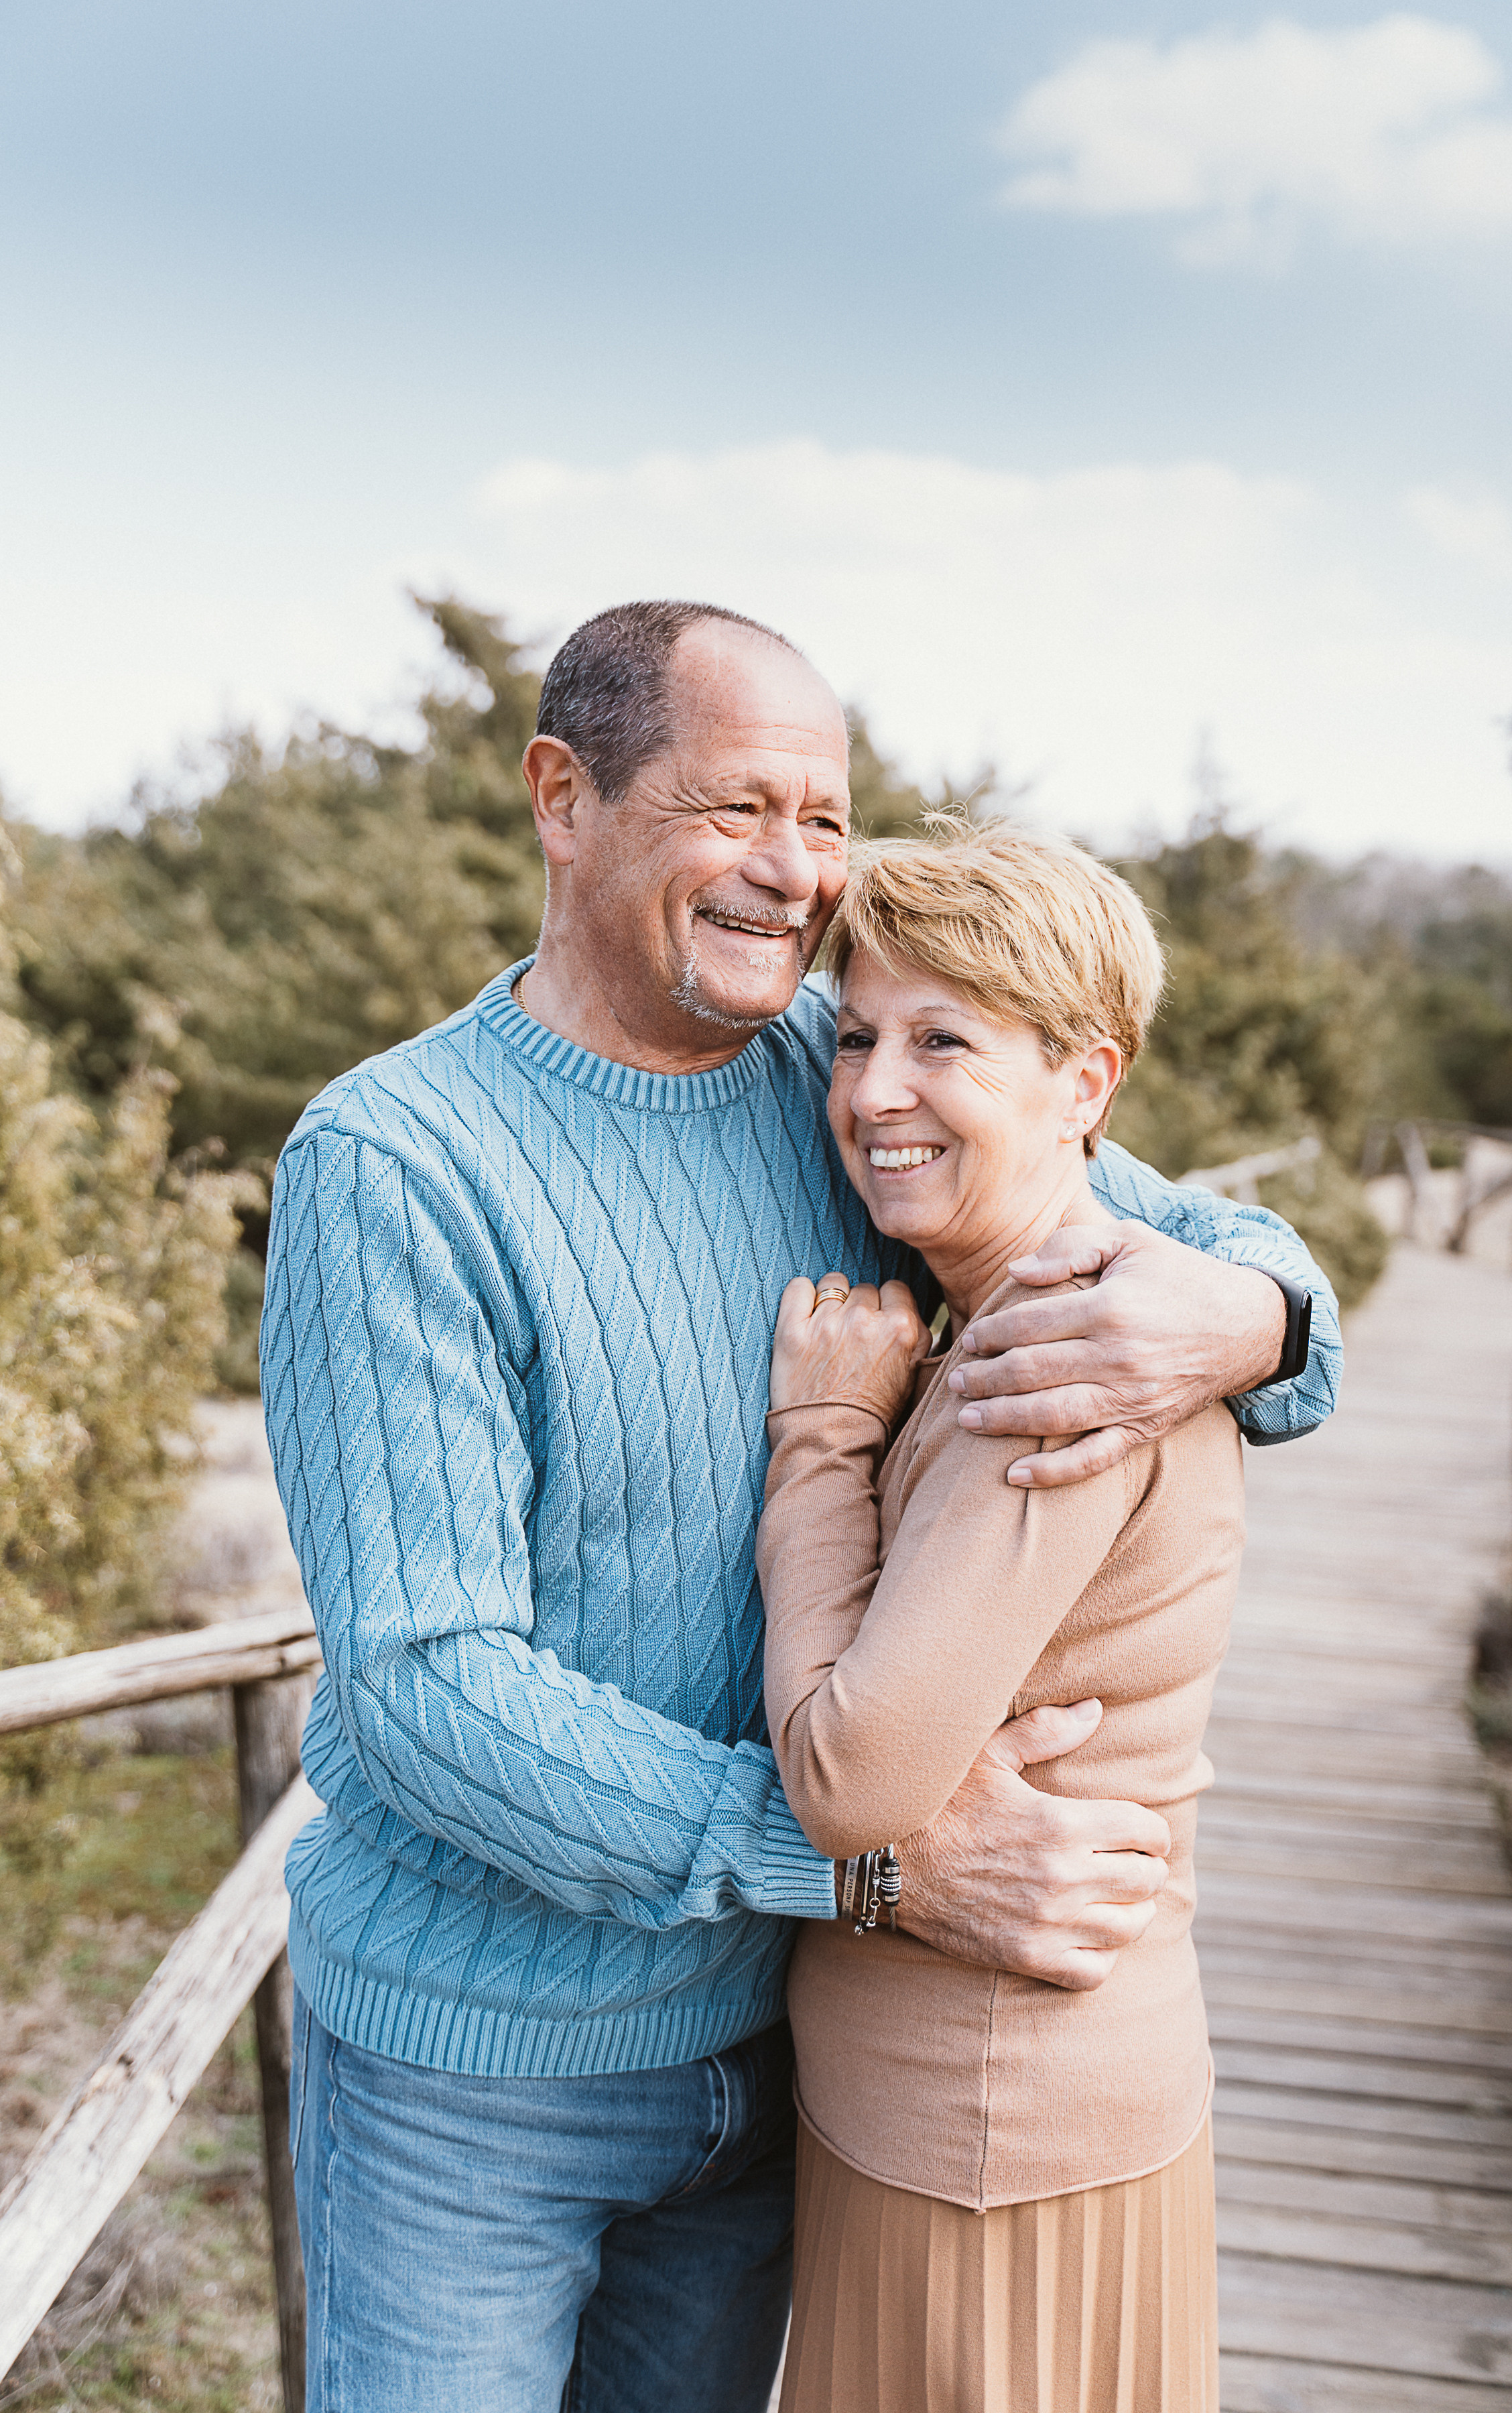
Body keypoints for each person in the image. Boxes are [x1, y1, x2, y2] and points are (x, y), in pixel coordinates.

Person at [260, 600, 1340, 2413]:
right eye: (735, 808)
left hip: (774, 2060)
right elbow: (430, 1688)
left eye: (828, 821)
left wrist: (1262, 1314)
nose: (794, 873)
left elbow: (1147, 1210)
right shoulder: (398, 1167)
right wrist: (867, 1865)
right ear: (561, 795)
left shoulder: (844, 1080)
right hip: (481, 2078)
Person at [758, 823, 1244, 2413]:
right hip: (964, 2116)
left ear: (1086, 1084)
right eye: (857, 1038)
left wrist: (824, 1438)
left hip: (985, 2135)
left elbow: (851, 1784)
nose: (873, 1091)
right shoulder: (1054, 1305)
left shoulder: (1056, 1356)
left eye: (942, 1041)